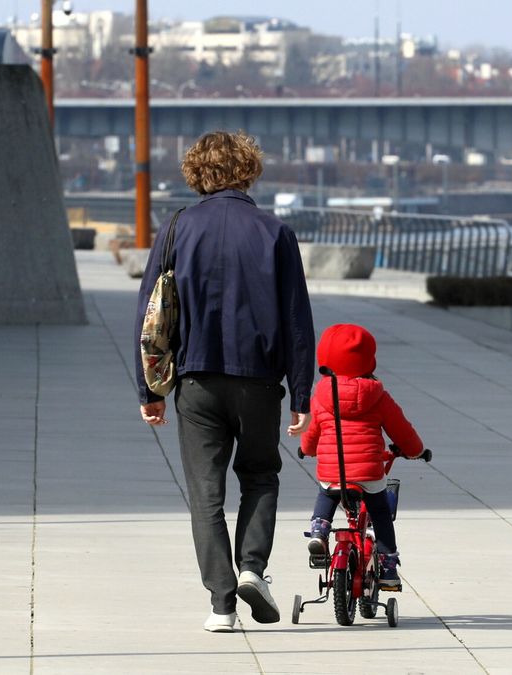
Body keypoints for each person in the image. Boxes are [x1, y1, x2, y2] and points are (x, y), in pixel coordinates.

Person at [133, 131, 315, 633]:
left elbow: (150, 310)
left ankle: (222, 604)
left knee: (205, 492)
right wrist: (302, 393)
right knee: (260, 474)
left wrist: (149, 389)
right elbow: (298, 320)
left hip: (196, 379)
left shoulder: (177, 229)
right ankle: (253, 567)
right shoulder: (275, 231)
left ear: (197, 173)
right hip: (258, 379)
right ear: (248, 169)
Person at [298, 324, 425, 591]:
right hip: (369, 473)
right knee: (380, 513)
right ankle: (389, 568)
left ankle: (320, 532)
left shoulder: (321, 395)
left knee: (326, 494)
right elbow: (402, 430)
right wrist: (416, 451)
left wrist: (307, 449)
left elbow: (311, 433)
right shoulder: (377, 395)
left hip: (334, 472)